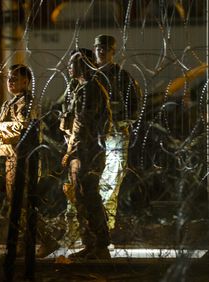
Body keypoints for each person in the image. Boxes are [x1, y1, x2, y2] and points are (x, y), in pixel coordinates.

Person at [0, 64, 59, 259]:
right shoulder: (9, 103)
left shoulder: (26, 103)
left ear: (26, 81)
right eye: (9, 78)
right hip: (11, 155)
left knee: (23, 201)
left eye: (15, 78)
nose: (10, 82)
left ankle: (46, 239)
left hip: (23, 158)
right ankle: (23, 243)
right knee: (16, 201)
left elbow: (21, 128)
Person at [61, 48, 113, 259]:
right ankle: (91, 244)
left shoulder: (89, 90)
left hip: (87, 152)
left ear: (82, 66)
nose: (69, 67)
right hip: (83, 150)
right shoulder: (80, 88)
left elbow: (82, 125)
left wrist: (70, 152)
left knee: (88, 195)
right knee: (81, 196)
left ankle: (99, 244)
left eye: (72, 64)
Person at [92, 35, 141, 230]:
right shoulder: (89, 75)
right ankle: (87, 230)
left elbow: (133, 107)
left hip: (114, 134)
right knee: (88, 183)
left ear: (113, 51)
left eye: (105, 48)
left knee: (110, 183)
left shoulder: (122, 77)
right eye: (98, 47)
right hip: (92, 137)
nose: (101, 51)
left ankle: (104, 229)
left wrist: (117, 121)